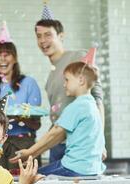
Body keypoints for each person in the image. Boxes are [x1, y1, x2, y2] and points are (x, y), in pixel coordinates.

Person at [10, 61, 106, 176]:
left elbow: (54, 134)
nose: (64, 84)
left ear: (81, 80)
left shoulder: (77, 106)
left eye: (67, 80)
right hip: (92, 169)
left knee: (32, 177)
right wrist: (32, 154)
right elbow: (58, 137)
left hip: (74, 167)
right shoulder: (92, 105)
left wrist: (29, 152)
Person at [34, 16, 105, 163]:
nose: (42, 40)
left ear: (61, 36)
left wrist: (100, 140)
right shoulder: (50, 77)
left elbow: (97, 99)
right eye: (39, 36)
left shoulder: (78, 57)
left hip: (80, 145)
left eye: (48, 35)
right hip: (57, 146)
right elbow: (58, 116)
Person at [0, 22, 42, 172]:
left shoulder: (29, 83)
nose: (2, 59)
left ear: (14, 58)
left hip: (24, 145)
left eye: (7, 54)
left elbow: (37, 124)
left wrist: (20, 117)